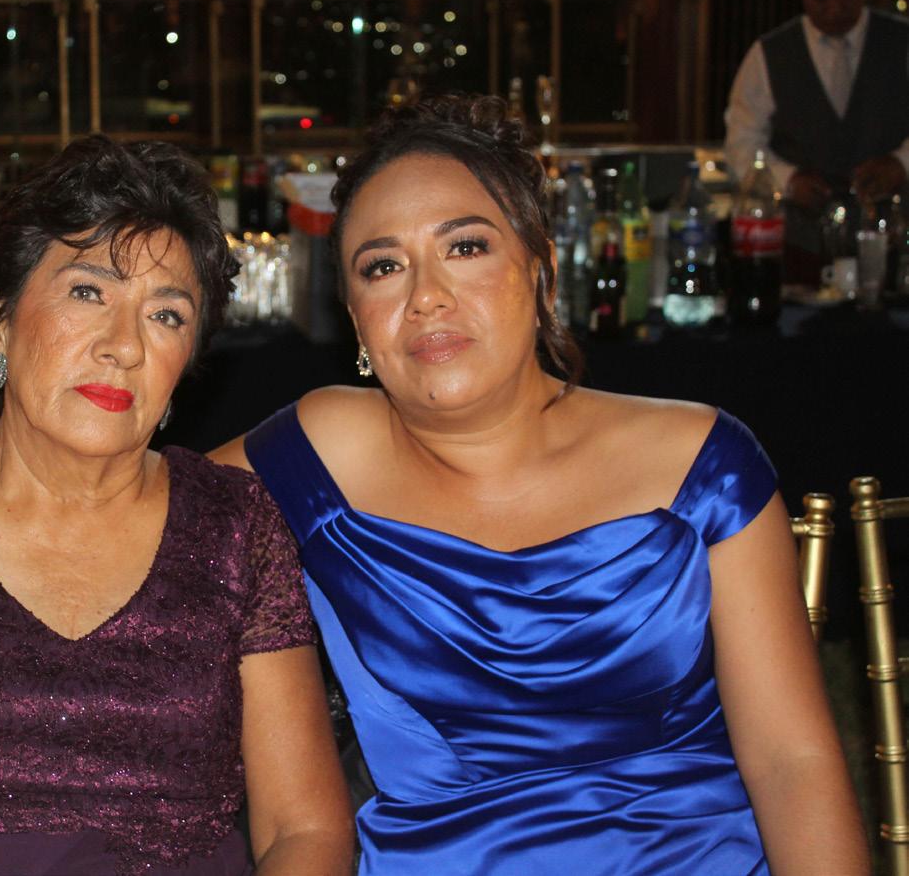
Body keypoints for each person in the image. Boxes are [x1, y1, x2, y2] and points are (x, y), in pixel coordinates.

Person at [212, 95, 869, 875]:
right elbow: (122, 504)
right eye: (383, 267)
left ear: (541, 271)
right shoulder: (318, 455)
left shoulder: (701, 464)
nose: (426, 296)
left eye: (465, 247)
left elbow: (793, 764)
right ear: (356, 321)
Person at [0, 134, 354, 876]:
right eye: (87, 293)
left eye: (166, 316)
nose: (123, 346)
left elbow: (306, 830)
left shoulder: (237, 528)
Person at [724, 0, 909, 268]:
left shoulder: (902, 43)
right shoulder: (769, 55)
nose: (834, 9)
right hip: (801, 246)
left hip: (892, 242)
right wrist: (788, 181)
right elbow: (740, 145)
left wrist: (901, 163)